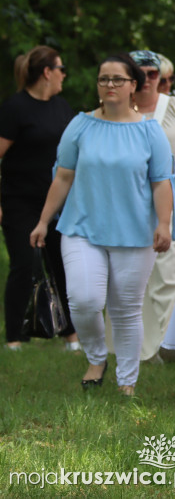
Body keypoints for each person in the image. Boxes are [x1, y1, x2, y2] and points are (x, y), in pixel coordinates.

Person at [29, 53, 175, 397]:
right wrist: (43, 220)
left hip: (135, 233)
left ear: (133, 86)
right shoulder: (80, 125)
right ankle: (96, 357)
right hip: (82, 228)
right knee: (83, 299)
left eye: (117, 79)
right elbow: (63, 176)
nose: (110, 85)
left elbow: (161, 182)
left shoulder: (149, 131)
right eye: (104, 79)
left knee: (126, 309)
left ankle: (127, 382)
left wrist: (165, 224)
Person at [0, 47, 78, 351]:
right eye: (61, 68)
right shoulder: (15, 108)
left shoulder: (62, 108)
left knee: (62, 265)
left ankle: (70, 335)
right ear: (47, 72)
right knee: (24, 263)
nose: (64, 75)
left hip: (58, 204)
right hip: (19, 201)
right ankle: (14, 338)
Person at [129, 50, 175, 364]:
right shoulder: (115, 109)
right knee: (133, 276)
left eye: (153, 74)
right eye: (139, 73)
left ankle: (169, 345)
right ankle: (139, 348)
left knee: (171, 273)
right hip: (129, 200)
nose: (147, 80)